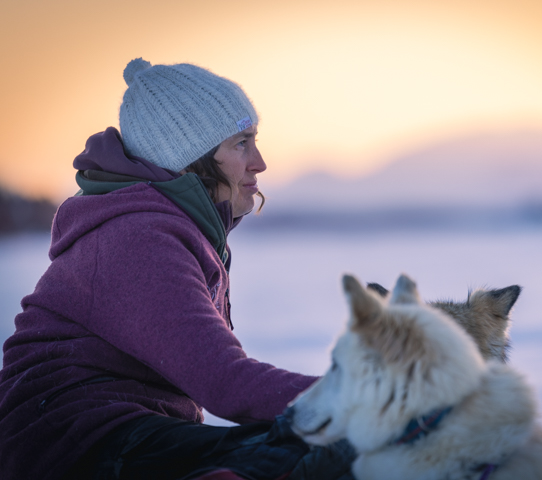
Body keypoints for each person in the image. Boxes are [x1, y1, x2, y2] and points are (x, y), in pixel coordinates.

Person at [0, 58, 355, 480]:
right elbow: (225, 382)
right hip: (72, 442)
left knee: (306, 451)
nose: (259, 161)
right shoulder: (137, 237)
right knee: (310, 459)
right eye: (241, 143)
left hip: (119, 435)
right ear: (192, 159)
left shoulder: (171, 228)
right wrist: (367, 403)